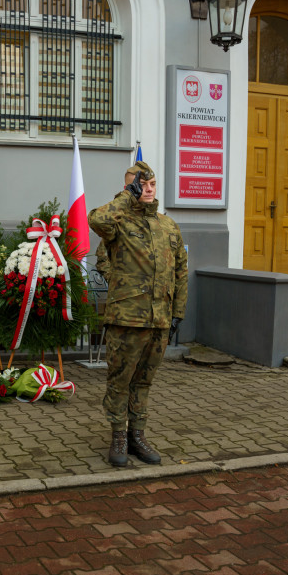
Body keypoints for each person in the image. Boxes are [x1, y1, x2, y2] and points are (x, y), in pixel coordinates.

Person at [88, 161, 188, 467]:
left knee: (144, 381)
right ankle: (118, 435)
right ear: (128, 188)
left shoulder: (168, 225)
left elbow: (181, 270)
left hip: (158, 319)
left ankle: (137, 436)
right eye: (140, 184)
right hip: (127, 318)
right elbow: (95, 221)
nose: (148, 189)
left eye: (152, 184)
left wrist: (177, 312)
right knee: (120, 380)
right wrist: (124, 198)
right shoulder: (118, 222)